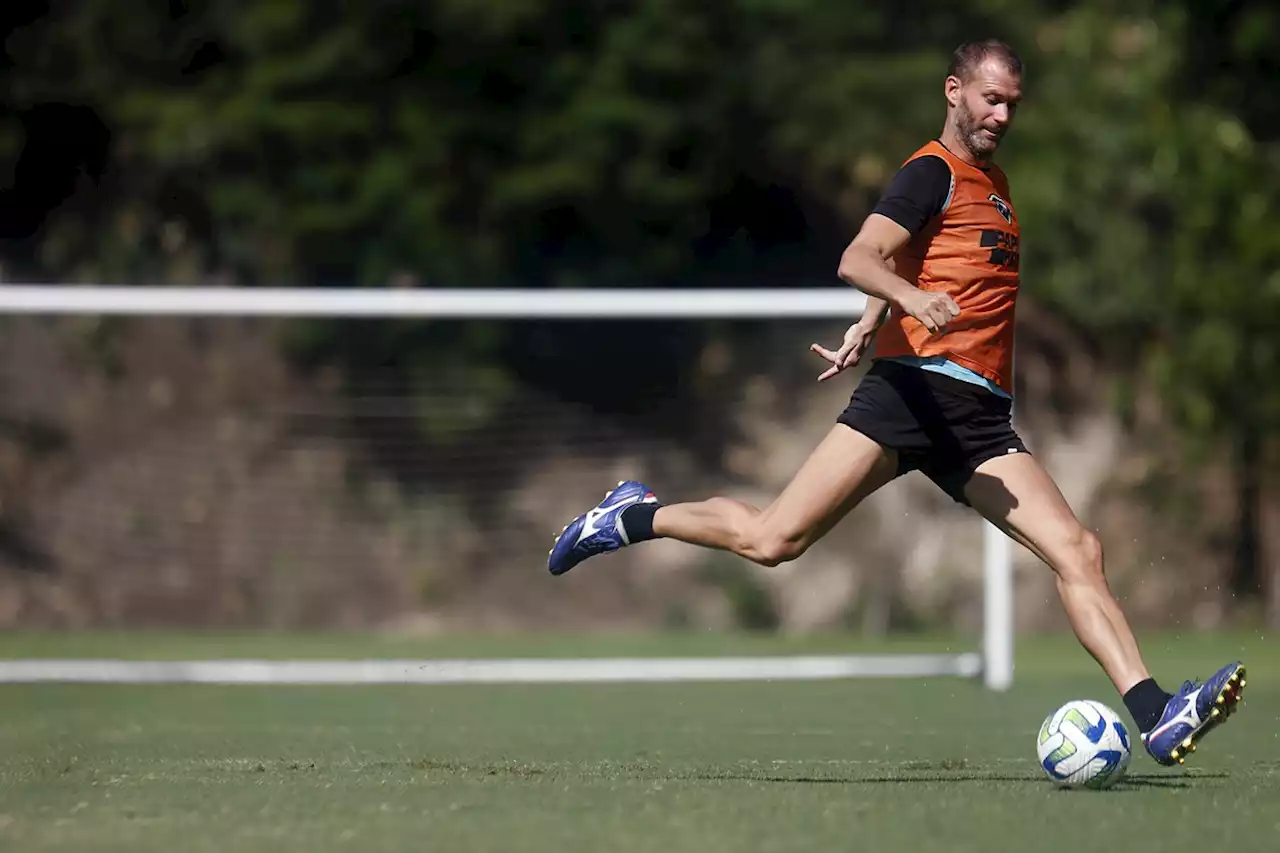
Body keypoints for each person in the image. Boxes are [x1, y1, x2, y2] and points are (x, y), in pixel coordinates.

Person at [546, 38, 1245, 766]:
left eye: (1011, 103)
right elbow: (859, 256)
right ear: (954, 91)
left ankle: (1156, 712)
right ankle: (631, 515)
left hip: (976, 421)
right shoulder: (929, 172)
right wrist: (907, 301)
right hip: (911, 395)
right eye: (989, 98)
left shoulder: (996, 185)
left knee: (1079, 548)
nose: (1001, 114)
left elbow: (921, 259)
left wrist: (873, 317)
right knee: (773, 540)